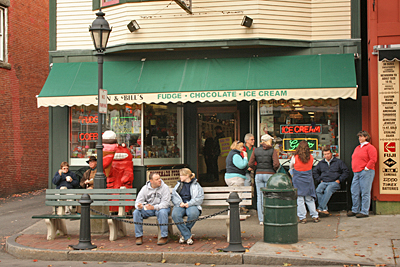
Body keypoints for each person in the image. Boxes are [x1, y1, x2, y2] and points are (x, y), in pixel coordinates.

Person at [248, 134, 279, 225]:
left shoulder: (256, 150)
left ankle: (261, 219)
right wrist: (273, 170)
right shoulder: (272, 151)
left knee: (260, 197)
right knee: (270, 196)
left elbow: (250, 163)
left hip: (259, 174)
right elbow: (276, 164)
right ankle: (270, 217)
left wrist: (256, 168)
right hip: (269, 174)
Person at [133, 173, 171, 245]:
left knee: (162, 213)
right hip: (149, 209)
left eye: (159, 178)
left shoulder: (164, 187)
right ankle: (139, 236)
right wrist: (139, 206)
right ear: (151, 181)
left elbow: (166, 203)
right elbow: (137, 201)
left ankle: (164, 236)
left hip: (161, 208)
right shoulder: (145, 188)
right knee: (136, 212)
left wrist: (154, 207)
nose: (159, 180)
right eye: (157, 179)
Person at [348, 130, 377, 218]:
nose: (359, 138)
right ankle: (355, 209)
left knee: (365, 192)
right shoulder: (357, 148)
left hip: (366, 172)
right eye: (359, 137)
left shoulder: (370, 147)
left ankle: (364, 211)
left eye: (361, 136)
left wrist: (366, 168)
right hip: (356, 172)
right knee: (354, 191)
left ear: (366, 137)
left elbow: (373, 159)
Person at [313, 146, 349, 216]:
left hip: (334, 182)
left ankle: (320, 208)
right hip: (324, 181)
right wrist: (319, 180)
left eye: (328, 154)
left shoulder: (338, 162)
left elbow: (346, 172)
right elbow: (315, 172)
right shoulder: (321, 163)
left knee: (328, 190)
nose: (327, 156)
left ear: (331, 153)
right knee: (318, 190)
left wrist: (339, 180)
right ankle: (324, 209)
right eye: (325, 154)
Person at [171, 168, 204, 245]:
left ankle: (184, 235)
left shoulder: (196, 185)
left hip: (191, 204)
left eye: (181, 175)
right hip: (180, 204)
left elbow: (200, 198)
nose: (180, 177)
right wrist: (180, 203)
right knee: (175, 215)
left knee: (193, 214)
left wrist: (189, 203)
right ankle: (187, 236)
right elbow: (174, 196)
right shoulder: (178, 185)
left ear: (187, 176)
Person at [289, 141, 319, 224]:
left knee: (300, 199)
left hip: (298, 179)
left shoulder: (295, 157)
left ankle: (302, 217)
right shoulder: (311, 157)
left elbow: (291, 167)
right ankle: (315, 216)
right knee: (309, 198)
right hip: (308, 179)